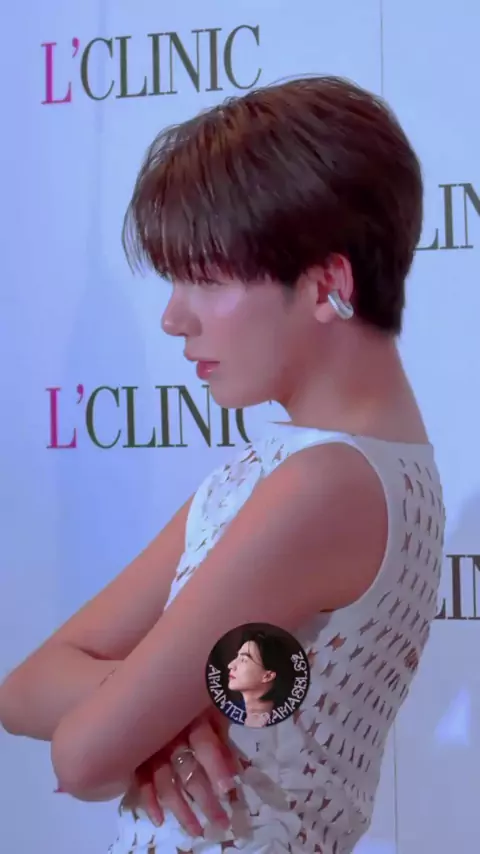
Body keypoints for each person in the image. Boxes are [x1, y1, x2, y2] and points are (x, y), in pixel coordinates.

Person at [0, 74, 445, 854]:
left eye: (206, 278)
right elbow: (24, 689)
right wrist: (172, 716)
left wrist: (144, 717)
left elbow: (82, 757)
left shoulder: (326, 488)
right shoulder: (283, 471)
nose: (174, 317)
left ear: (328, 286)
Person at [227, 629, 295, 728]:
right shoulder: (225, 714)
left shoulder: (289, 724)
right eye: (236, 657)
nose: (230, 665)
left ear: (268, 676)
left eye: (243, 659)